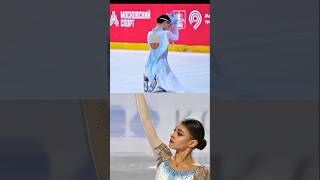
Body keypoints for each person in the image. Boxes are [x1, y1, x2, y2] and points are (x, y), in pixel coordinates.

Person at [135, 94, 210, 180]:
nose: (172, 135)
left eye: (179, 134)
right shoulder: (163, 157)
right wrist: (138, 90)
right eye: (174, 131)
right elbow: (146, 120)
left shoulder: (201, 172)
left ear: (192, 143)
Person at [144, 13, 184, 93]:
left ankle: (156, 84)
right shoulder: (165, 33)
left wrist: (169, 25)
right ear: (164, 23)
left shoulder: (150, 33)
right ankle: (158, 85)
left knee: (158, 81)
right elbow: (176, 37)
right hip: (162, 63)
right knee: (173, 85)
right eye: (168, 24)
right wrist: (175, 24)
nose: (169, 26)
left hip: (150, 63)